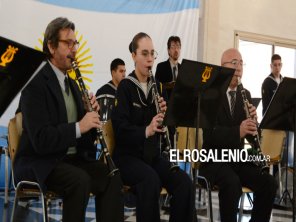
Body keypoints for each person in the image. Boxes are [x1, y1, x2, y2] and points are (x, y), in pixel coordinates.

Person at [13, 17, 123, 222]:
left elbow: (84, 142)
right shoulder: (35, 83)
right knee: (79, 181)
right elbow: (41, 139)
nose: (74, 49)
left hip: (69, 160)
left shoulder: (73, 85)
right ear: (51, 46)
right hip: (41, 161)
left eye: (76, 43)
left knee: (111, 174)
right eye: (68, 43)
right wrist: (79, 126)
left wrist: (90, 120)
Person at [112, 32, 195, 222]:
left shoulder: (158, 86)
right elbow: (120, 130)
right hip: (128, 157)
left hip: (151, 156)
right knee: (151, 180)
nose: (150, 59)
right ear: (133, 56)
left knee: (185, 183)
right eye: (144, 54)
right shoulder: (125, 87)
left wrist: (167, 121)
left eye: (152, 54)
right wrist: (146, 130)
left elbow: (167, 132)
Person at [199, 48, 277, 222]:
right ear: (222, 67)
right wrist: (238, 131)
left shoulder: (246, 94)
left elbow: (249, 139)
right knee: (232, 183)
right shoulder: (210, 95)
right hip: (214, 159)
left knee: (269, 183)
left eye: (241, 63)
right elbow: (210, 135)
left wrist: (254, 126)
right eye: (234, 63)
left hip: (238, 159)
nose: (239, 67)